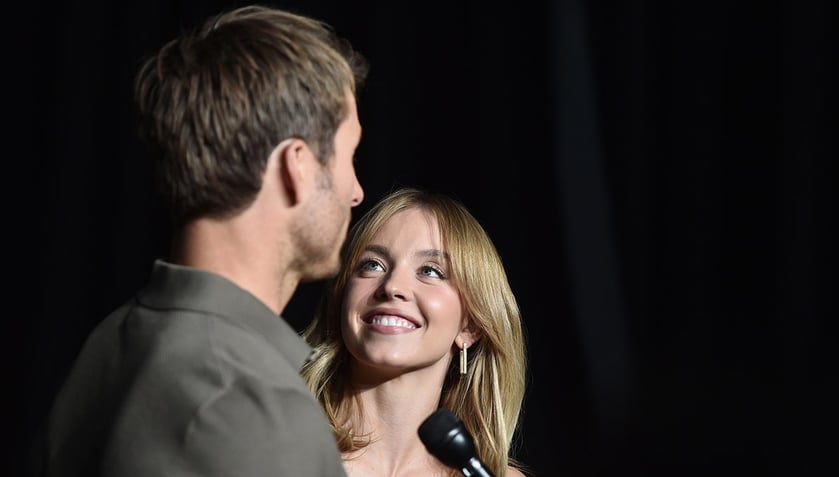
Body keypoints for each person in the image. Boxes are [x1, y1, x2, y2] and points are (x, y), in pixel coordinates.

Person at [31, 4, 368, 476]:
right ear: (297, 166)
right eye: (348, 156)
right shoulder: (255, 406)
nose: (356, 191)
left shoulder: (108, 345)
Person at [301, 187, 530, 477]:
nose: (392, 287)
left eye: (431, 271)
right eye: (373, 265)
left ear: (470, 325)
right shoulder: (269, 446)